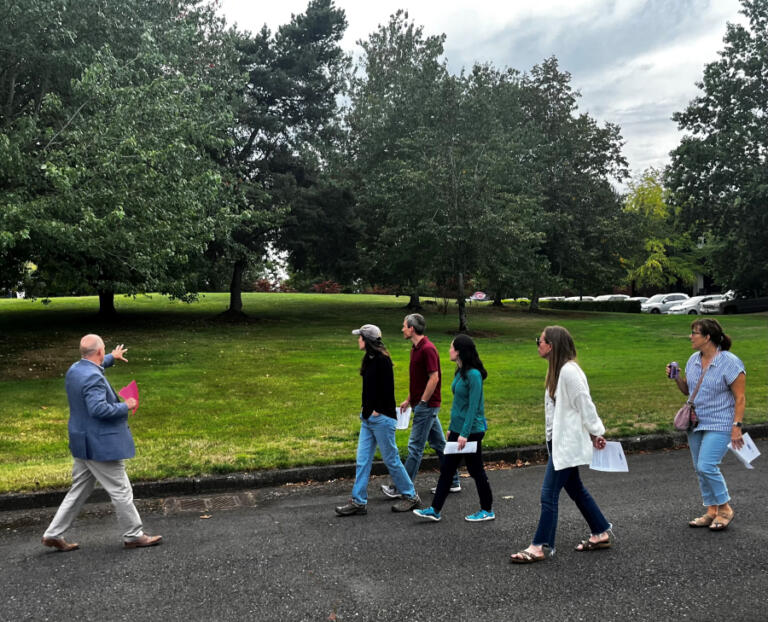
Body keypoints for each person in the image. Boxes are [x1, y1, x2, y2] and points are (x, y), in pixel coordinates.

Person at [41, 335, 162, 551]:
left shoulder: (75, 369)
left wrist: (112, 357)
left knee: (78, 490)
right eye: (103, 351)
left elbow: (94, 364)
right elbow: (98, 409)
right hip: (100, 445)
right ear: (98, 352)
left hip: (81, 441)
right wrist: (127, 405)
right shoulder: (93, 379)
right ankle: (133, 535)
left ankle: (53, 533)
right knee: (121, 490)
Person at [510, 326, 612, 563]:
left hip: (566, 444)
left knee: (548, 495)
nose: (538, 344)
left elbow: (584, 402)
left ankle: (539, 546)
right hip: (558, 442)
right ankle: (601, 532)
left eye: (541, 340)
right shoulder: (557, 370)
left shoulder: (569, 372)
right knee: (576, 489)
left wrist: (597, 432)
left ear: (551, 345)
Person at [667, 318, 745, 531]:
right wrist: (676, 378)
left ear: (708, 337)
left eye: (695, 333)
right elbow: (687, 391)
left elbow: (740, 398)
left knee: (706, 465)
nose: (690, 337)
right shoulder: (694, 359)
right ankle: (711, 511)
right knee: (699, 468)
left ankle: (725, 508)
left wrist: (736, 426)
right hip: (696, 422)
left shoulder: (730, 361)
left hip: (720, 422)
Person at [335, 324, 422, 515]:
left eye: (360, 337)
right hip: (368, 418)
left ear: (367, 340)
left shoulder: (382, 360)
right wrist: (366, 409)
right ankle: (358, 501)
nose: (358, 340)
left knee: (391, 460)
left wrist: (376, 411)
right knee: (362, 460)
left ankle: (411, 496)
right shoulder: (369, 358)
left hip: (381, 419)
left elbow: (386, 390)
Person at [413, 334, 494, 522]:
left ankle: (487, 509)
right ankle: (435, 509)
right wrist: (451, 429)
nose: (448, 350)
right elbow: (458, 406)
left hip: (472, 431)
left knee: (475, 471)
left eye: (451, 347)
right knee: (448, 469)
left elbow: (474, 408)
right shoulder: (460, 372)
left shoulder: (473, 375)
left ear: (459, 351)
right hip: (459, 429)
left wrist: (464, 434)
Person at [380, 313, 461, 499]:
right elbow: (419, 379)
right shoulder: (415, 349)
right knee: (439, 444)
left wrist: (423, 402)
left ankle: (401, 487)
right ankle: (453, 480)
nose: (402, 329)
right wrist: (409, 399)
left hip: (428, 405)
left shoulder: (428, 349)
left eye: (404, 326)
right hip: (421, 404)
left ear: (412, 328)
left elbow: (434, 377)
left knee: (415, 447)